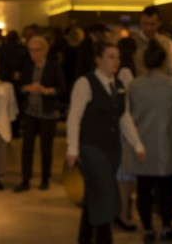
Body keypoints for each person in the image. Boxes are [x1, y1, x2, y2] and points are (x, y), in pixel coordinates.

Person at [67, 41, 146, 244]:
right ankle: (104, 238)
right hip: (90, 146)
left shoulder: (119, 85)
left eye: (117, 57)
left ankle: (85, 236)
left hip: (112, 149)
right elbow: (74, 117)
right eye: (111, 57)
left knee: (95, 191)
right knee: (106, 191)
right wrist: (72, 148)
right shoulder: (85, 83)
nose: (116, 61)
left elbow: (124, 117)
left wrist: (137, 144)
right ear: (98, 60)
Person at [126, 40, 172, 243]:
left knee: (144, 188)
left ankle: (147, 228)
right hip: (166, 141)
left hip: (142, 141)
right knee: (167, 188)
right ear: (163, 61)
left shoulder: (135, 85)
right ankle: (167, 226)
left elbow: (129, 112)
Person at [14, 35, 66, 192]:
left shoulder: (53, 66)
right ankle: (25, 179)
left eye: (37, 50)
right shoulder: (27, 65)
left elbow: (62, 89)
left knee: (46, 147)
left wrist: (46, 91)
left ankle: (45, 178)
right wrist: (27, 88)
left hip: (48, 112)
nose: (34, 54)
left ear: (45, 50)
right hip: (30, 111)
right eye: (31, 50)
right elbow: (19, 85)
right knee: (27, 146)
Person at [114, 36, 138, 232]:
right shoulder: (126, 72)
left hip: (121, 126)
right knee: (125, 175)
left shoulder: (120, 72)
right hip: (126, 127)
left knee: (123, 173)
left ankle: (122, 211)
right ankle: (123, 213)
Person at [132, 5, 172, 81]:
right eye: (145, 24)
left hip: (162, 85)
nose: (148, 28)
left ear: (159, 23)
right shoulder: (132, 42)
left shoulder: (167, 43)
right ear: (140, 23)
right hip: (139, 85)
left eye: (152, 24)